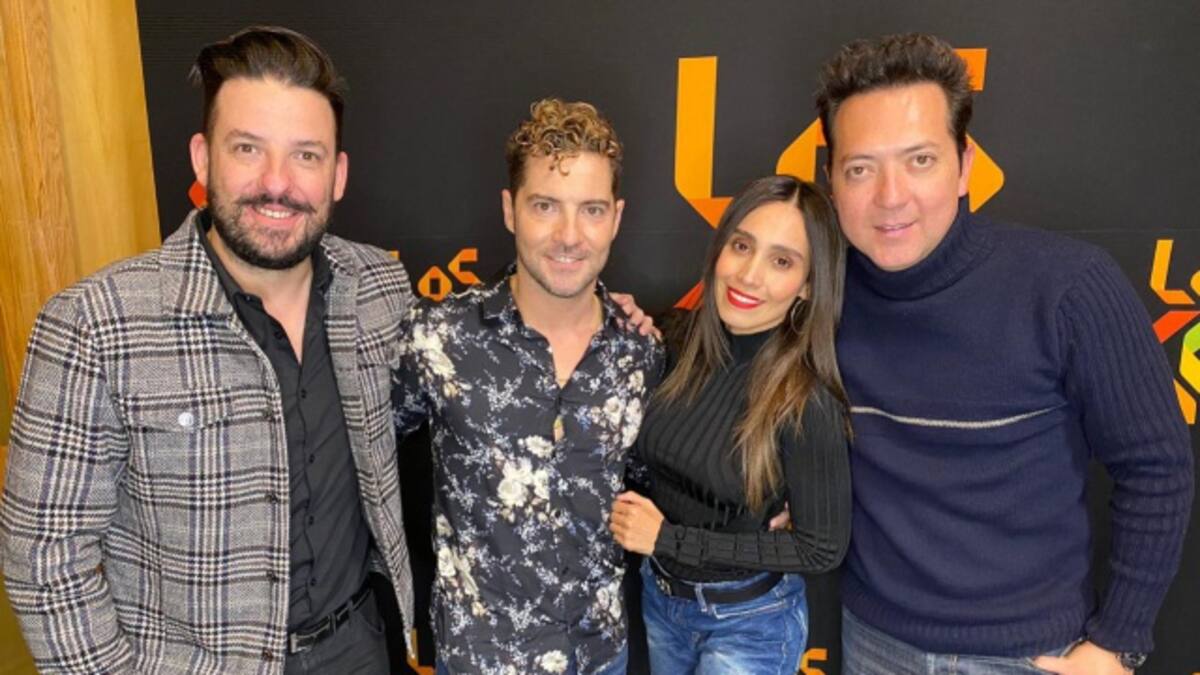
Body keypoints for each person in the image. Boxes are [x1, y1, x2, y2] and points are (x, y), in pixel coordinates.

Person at [0, 26, 415, 674]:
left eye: (306, 156)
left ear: (337, 175)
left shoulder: (380, 288)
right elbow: (43, 558)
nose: (276, 183)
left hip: (359, 649)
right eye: (248, 148)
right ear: (202, 159)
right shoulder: (93, 325)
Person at [816, 33, 1194, 674]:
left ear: (964, 166)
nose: (890, 195)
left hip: (1031, 655)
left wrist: (1116, 644)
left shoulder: (1068, 287)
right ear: (831, 180)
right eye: (861, 168)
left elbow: (1157, 467)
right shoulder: (820, 290)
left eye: (920, 160)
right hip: (873, 643)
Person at [393, 98, 665, 674]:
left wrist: (766, 504)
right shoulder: (438, 337)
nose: (569, 235)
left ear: (616, 218)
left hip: (601, 656)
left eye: (591, 210)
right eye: (545, 206)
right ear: (510, 210)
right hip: (479, 660)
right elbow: (356, 454)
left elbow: (669, 477)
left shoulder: (639, 351)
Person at [608, 175, 852, 674]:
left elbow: (821, 547)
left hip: (750, 623)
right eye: (742, 246)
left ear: (808, 284)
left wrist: (669, 540)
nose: (749, 275)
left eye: (781, 261)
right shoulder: (673, 341)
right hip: (662, 601)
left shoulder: (805, 399)